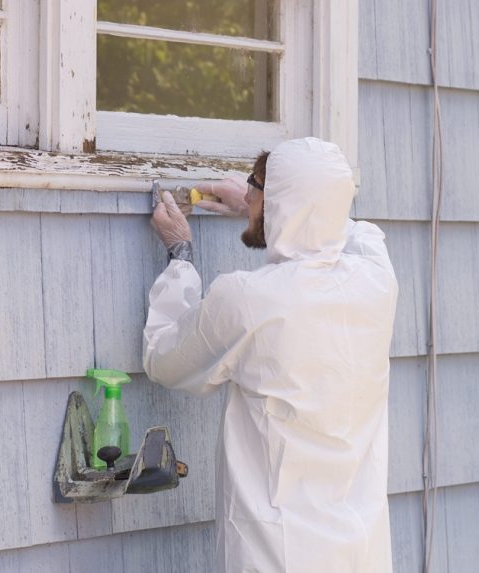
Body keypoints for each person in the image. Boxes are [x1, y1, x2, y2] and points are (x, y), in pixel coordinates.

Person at [145, 137, 399, 573]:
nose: (247, 194)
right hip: (361, 551)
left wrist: (179, 255)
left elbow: (164, 357)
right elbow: (340, 222)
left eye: (255, 187)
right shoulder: (376, 278)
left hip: (279, 554)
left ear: (281, 202)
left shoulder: (250, 299)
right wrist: (259, 207)